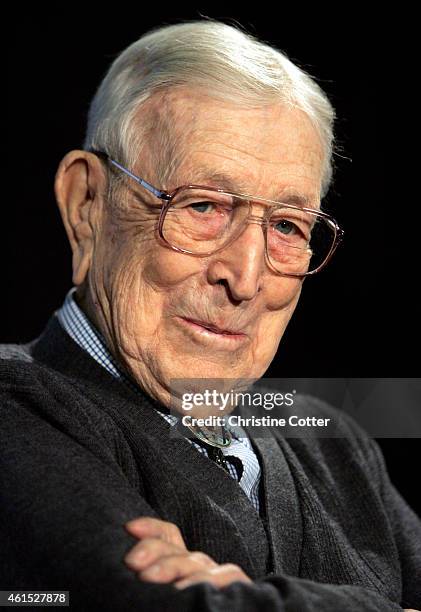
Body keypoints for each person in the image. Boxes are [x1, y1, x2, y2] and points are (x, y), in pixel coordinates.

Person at [1, 20, 420, 612]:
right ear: (87, 205)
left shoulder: (335, 440)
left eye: (285, 227)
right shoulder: (16, 412)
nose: (246, 278)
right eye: (202, 206)